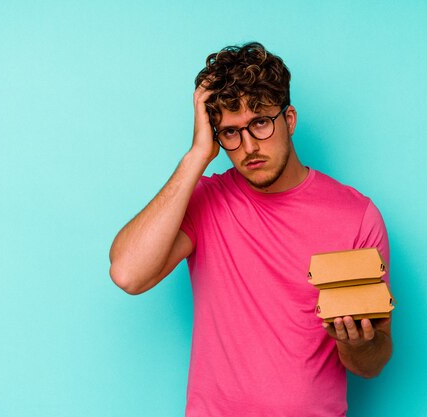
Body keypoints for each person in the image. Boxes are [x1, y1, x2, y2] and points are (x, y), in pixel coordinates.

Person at [109, 42, 392, 417]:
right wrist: (196, 156)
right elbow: (128, 274)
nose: (248, 147)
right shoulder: (206, 202)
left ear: (288, 119)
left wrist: (356, 344)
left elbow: (371, 364)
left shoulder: (356, 216)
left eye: (260, 123)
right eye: (230, 132)